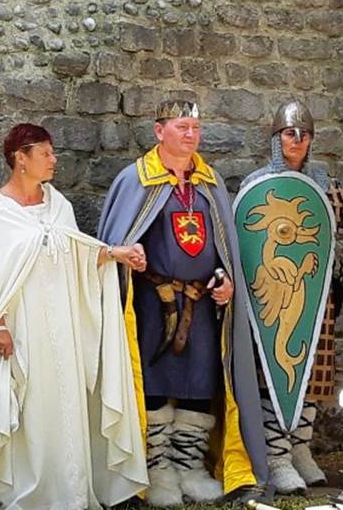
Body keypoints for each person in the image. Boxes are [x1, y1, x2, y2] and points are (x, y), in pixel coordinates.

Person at [0, 123, 149, 510]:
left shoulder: (58, 204)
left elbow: (77, 254)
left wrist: (116, 254)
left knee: (65, 405)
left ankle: (70, 492)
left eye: (51, 152)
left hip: (62, 326)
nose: (53, 159)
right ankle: (24, 495)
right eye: (45, 153)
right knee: (28, 411)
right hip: (22, 330)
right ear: (20, 159)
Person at [98, 100, 269, 506]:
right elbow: (114, 240)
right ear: (160, 132)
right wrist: (128, 255)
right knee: (153, 382)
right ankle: (155, 471)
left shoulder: (210, 183)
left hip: (202, 303)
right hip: (151, 302)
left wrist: (226, 280)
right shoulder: (135, 181)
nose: (190, 134)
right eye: (181, 126)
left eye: (194, 126)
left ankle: (189, 467)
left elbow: (224, 245)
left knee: (199, 380)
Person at [240, 100, 342, 494]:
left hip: (319, 299)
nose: (296, 140)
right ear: (275, 138)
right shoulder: (258, 186)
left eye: (303, 135)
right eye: (289, 133)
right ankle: (277, 455)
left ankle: (301, 450)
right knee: (274, 371)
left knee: (314, 376)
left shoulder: (328, 186)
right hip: (274, 298)